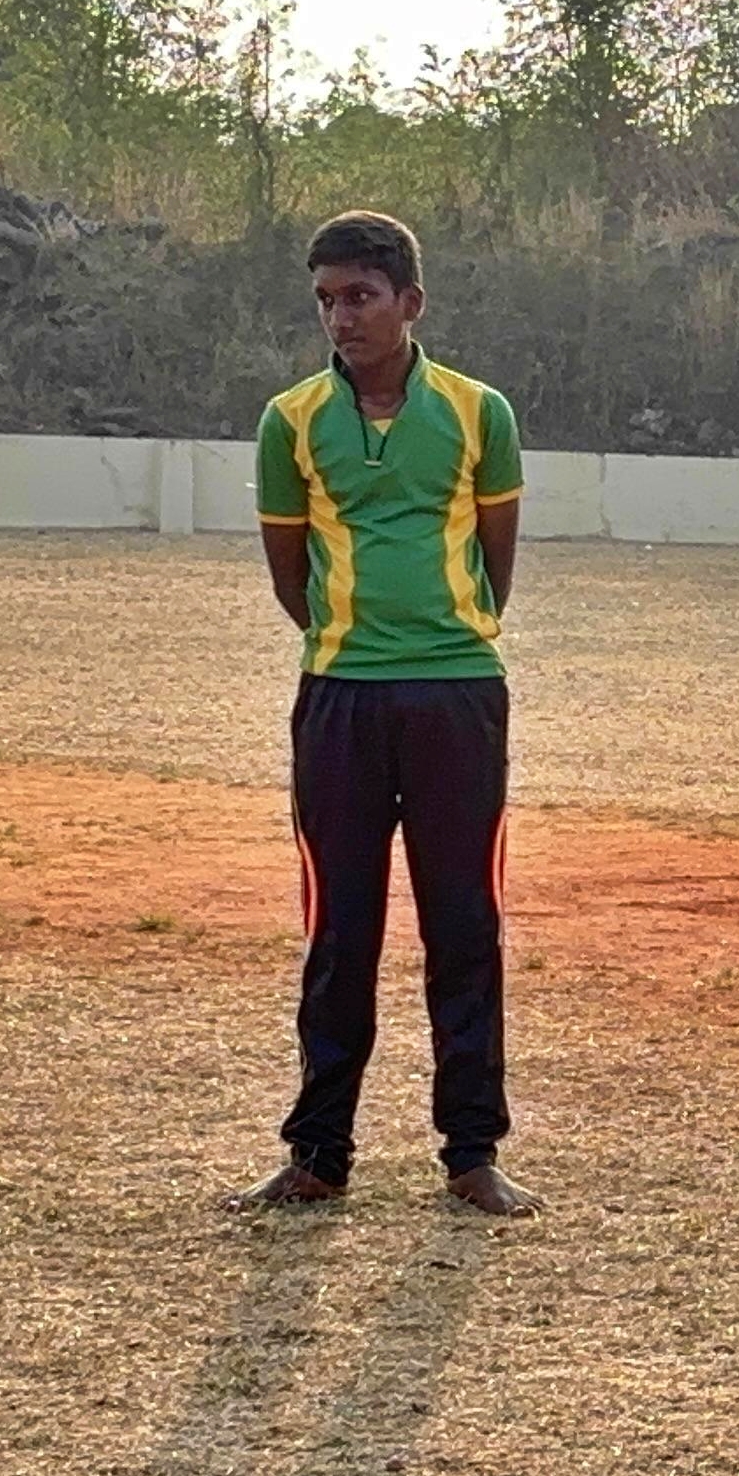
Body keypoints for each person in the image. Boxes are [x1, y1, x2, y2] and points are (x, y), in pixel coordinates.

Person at [226, 211, 541, 1217]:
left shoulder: (479, 411)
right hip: (339, 703)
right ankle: (318, 1155)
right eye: (325, 299)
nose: (340, 316)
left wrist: (441, 635)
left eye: (359, 296)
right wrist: (348, 643)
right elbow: (290, 574)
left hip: (457, 695)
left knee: (464, 926)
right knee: (338, 933)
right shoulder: (291, 421)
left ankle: (472, 1156)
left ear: (410, 302)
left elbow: (496, 560)